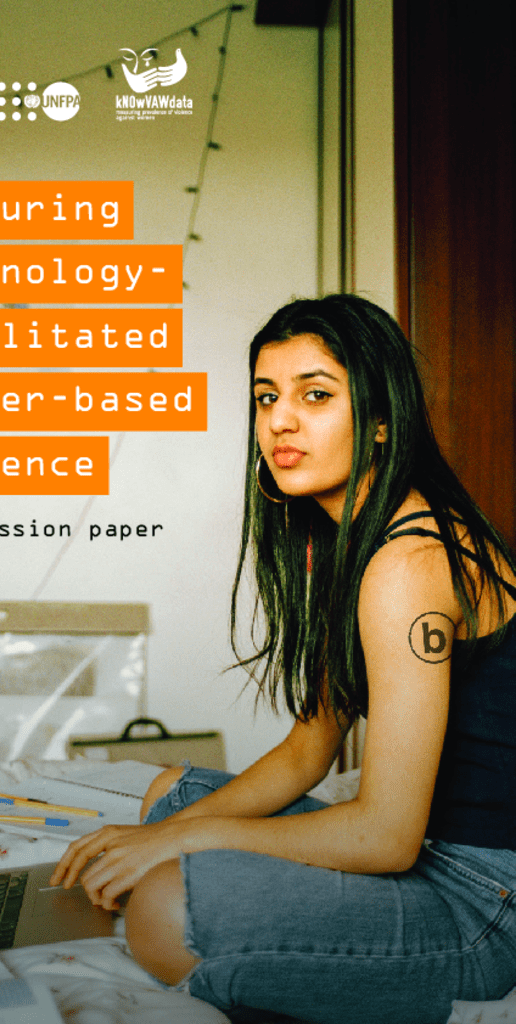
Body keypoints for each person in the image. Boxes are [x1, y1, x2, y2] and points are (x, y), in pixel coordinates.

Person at [50, 294, 516, 1023]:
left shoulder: (408, 563)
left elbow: (386, 835)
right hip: (426, 854)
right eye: (267, 396)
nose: (279, 421)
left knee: (166, 908)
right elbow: (308, 751)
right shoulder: (354, 544)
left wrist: (180, 844)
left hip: (483, 900)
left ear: (382, 421)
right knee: (167, 791)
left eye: (316, 395)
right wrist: (168, 830)